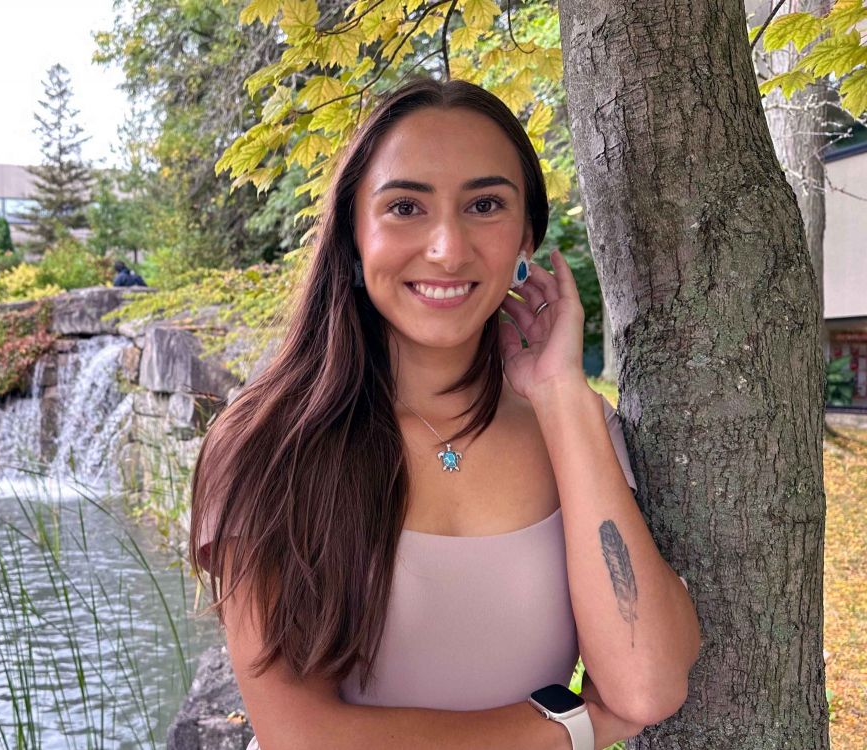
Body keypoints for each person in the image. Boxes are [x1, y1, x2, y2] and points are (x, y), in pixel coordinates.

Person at [188, 76, 701, 750]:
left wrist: (559, 395)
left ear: (527, 241)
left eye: (485, 204)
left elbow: (644, 686)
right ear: (353, 235)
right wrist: (570, 728)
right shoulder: (265, 443)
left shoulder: (575, 429)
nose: (448, 249)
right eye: (405, 207)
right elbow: (300, 733)